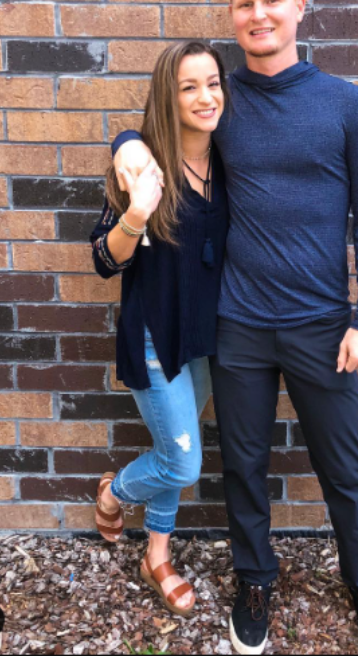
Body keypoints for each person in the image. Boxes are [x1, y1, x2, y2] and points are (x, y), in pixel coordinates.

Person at [112, 0, 358, 656]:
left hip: (323, 325)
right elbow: (155, 125)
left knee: (344, 470)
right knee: (243, 464)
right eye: (245, 5)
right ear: (232, 16)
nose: (259, 15)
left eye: (272, 1)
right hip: (238, 324)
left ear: (300, 5)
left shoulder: (348, 106)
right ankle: (254, 581)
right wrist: (125, 146)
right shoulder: (222, 100)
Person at [90, 40, 229, 618]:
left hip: (208, 338)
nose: (205, 96)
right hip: (156, 336)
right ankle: (112, 492)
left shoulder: (228, 160)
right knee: (181, 461)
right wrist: (136, 215)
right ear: (167, 98)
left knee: (178, 447)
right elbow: (103, 258)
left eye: (214, 83)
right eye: (189, 86)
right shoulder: (143, 166)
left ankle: (158, 556)